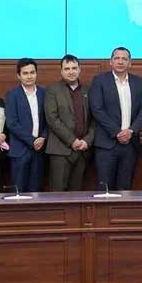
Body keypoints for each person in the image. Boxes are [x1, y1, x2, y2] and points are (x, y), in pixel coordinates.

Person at [89, 47, 142, 191]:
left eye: (124, 59)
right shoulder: (99, 81)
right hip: (107, 144)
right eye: (117, 58)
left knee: (125, 189)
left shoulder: (138, 82)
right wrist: (117, 132)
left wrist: (131, 131)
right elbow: (97, 110)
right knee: (105, 189)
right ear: (111, 61)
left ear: (130, 63)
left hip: (130, 145)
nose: (120, 62)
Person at [45, 55, 93, 192]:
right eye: (67, 69)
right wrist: (72, 141)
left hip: (82, 150)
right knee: (58, 194)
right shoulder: (52, 90)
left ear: (79, 70)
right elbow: (52, 119)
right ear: (61, 71)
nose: (71, 72)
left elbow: (94, 119)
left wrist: (87, 141)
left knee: (76, 194)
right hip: (60, 151)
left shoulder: (88, 90)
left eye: (74, 68)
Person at [5, 57, 48, 193]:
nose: (29, 76)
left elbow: (49, 119)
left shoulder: (44, 93)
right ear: (19, 75)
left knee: (36, 192)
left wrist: (43, 137)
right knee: (18, 192)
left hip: (40, 150)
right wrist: (32, 140)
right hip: (20, 150)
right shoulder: (12, 95)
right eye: (25, 73)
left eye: (32, 72)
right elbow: (12, 123)